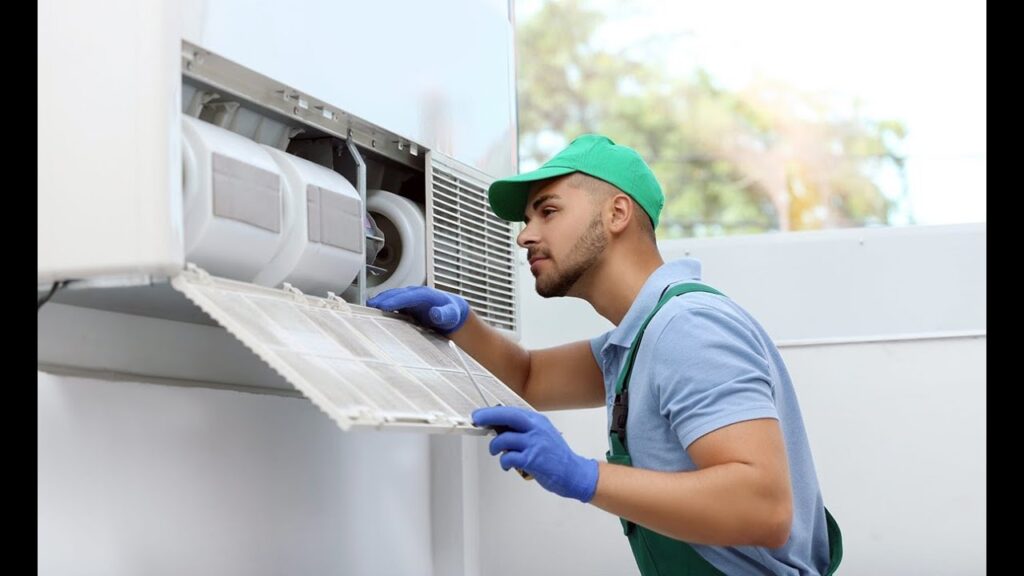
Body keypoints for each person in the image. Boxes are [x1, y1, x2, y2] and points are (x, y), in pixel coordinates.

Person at [367, 134, 842, 575]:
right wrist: (460, 323)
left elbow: (764, 507)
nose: (524, 236)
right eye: (528, 220)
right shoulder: (637, 340)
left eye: (547, 212)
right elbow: (528, 376)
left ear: (617, 214)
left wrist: (582, 474)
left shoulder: (687, 328)